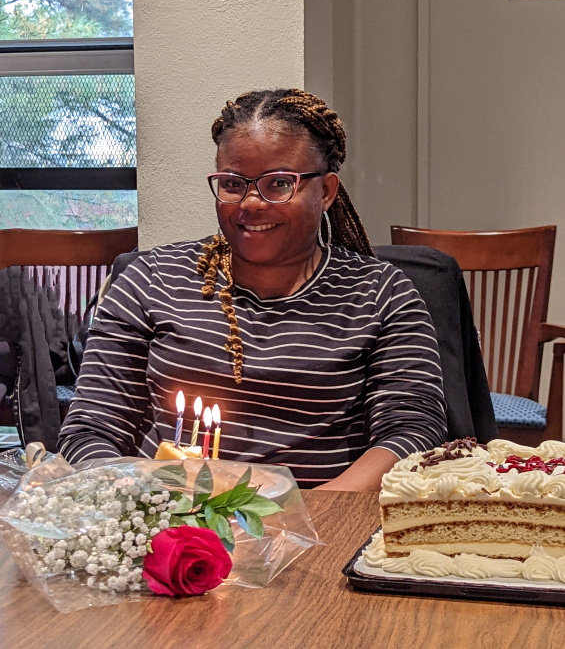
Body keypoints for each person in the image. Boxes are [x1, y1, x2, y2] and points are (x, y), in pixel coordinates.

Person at [58, 89, 446, 491]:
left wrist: (309, 515)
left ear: (326, 191)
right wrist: (139, 506)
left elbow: (411, 430)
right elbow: (90, 428)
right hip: (171, 524)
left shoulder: (380, 293)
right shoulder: (151, 279)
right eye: (232, 184)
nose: (252, 203)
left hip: (325, 527)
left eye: (279, 183)